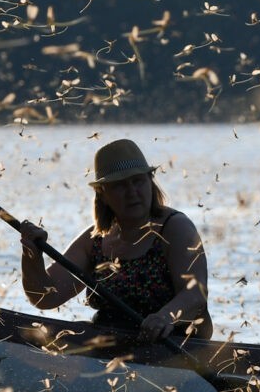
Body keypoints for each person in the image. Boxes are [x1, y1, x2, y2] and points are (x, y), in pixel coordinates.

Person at [18, 139, 213, 342]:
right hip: (111, 343)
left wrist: (165, 317)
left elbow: (195, 295)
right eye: (120, 185)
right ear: (102, 194)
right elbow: (45, 297)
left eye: (138, 181)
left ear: (150, 181)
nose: (132, 192)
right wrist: (32, 255)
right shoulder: (94, 240)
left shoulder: (176, 228)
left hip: (174, 344)